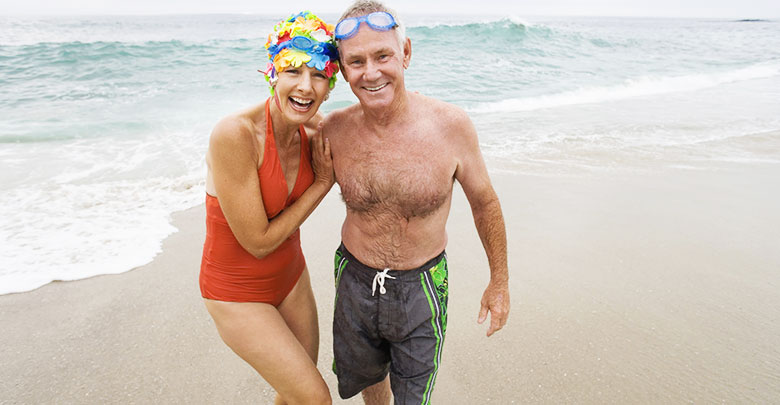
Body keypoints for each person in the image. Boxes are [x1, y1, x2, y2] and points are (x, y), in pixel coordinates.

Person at [322, 1, 511, 404]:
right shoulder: (333, 131)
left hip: (422, 285)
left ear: (406, 53)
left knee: (414, 396)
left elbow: (485, 203)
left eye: (383, 55)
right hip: (354, 279)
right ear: (342, 70)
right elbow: (274, 141)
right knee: (369, 382)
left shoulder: (451, 126)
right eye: (356, 61)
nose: (370, 73)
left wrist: (499, 281)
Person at [199, 11, 339, 405]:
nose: (305, 87)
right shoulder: (235, 134)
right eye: (293, 71)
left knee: (295, 394)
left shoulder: (317, 132)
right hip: (235, 290)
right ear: (273, 73)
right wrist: (323, 184)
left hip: (290, 277)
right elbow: (257, 242)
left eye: (319, 76)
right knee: (314, 397)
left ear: (330, 86)